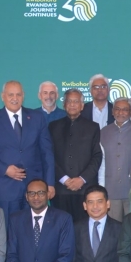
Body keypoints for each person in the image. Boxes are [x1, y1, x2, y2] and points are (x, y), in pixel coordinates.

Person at [0, 80, 56, 225]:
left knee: (33, 231)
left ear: (23, 96)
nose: (14, 98)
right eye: (10, 94)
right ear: (3, 96)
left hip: (35, 187)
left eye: (18, 94)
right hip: (6, 188)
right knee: (8, 232)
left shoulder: (37, 118)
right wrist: (4, 169)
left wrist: (50, 183)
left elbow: (47, 153)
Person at [49, 89, 102, 222]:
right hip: (60, 190)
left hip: (85, 189)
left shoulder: (93, 127)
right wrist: (64, 179)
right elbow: (49, 156)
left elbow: (96, 156)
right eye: (69, 101)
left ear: (82, 106)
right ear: (64, 104)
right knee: (61, 228)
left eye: (76, 101)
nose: (72, 104)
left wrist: (82, 179)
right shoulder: (53, 127)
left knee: (83, 230)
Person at [100, 99, 131, 221]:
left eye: (125, 109)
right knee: (114, 228)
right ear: (112, 112)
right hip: (111, 189)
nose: (120, 112)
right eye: (117, 109)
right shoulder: (104, 131)